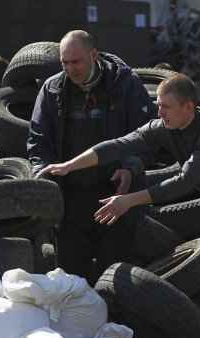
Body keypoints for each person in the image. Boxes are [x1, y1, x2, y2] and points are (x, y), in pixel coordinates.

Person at [38, 73, 200, 338]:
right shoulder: (164, 125)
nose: (158, 111)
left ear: (189, 107)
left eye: (165, 106)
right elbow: (120, 144)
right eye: (158, 105)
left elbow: (184, 181)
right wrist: (69, 165)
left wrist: (127, 201)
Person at [28, 30, 155, 283]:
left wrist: (130, 168)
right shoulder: (52, 89)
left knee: (116, 278)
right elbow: (38, 140)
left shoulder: (125, 84)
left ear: (93, 55)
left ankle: (117, 322)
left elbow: (147, 135)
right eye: (65, 63)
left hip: (116, 198)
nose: (70, 69)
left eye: (76, 62)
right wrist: (42, 172)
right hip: (71, 200)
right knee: (72, 280)